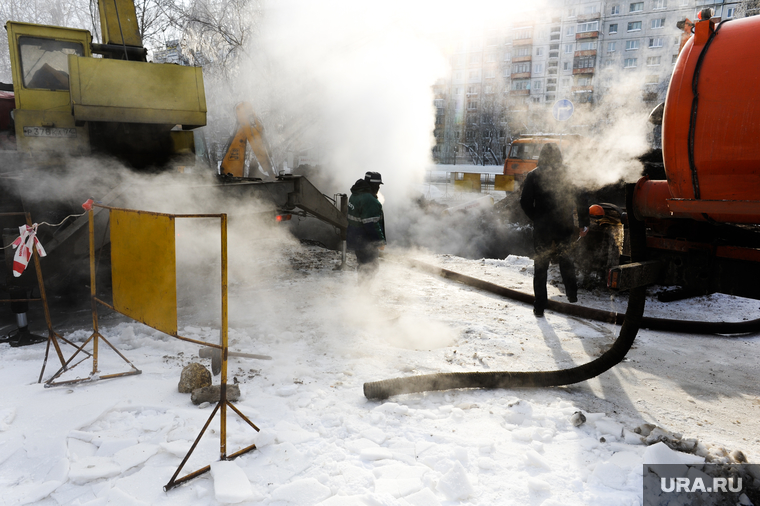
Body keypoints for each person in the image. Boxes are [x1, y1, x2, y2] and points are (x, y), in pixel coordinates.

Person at [519, 143, 589, 317]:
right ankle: (572, 296)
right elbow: (581, 198)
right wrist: (583, 223)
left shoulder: (533, 175)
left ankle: (539, 305)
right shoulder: (569, 173)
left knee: (541, 265)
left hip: (542, 227)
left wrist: (537, 218)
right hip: (563, 224)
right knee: (566, 259)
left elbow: (524, 202)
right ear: (559, 155)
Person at [347, 171, 386, 278]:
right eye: (377, 185)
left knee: (363, 265)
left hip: (355, 238)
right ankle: (365, 291)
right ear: (372, 185)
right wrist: (379, 241)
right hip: (365, 241)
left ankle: (362, 289)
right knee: (371, 267)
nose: (378, 188)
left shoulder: (355, 194)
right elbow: (371, 225)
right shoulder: (369, 200)